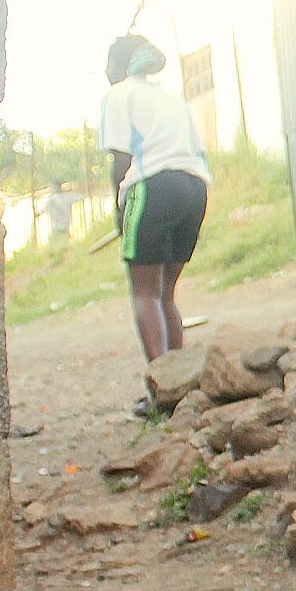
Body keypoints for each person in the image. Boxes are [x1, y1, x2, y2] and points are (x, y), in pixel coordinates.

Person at [97, 34, 212, 367]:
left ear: (120, 64)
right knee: (165, 294)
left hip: (152, 188)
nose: (106, 74)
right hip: (194, 189)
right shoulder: (170, 97)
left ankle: (162, 387)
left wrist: (120, 211)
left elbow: (122, 159)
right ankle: (181, 383)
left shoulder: (118, 94)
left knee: (145, 293)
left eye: (108, 65)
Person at [43, 181, 79, 247]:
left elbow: (45, 209)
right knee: (64, 244)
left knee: (56, 246)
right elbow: (80, 197)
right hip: (64, 227)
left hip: (56, 228)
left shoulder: (49, 200)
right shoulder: (67, 197)